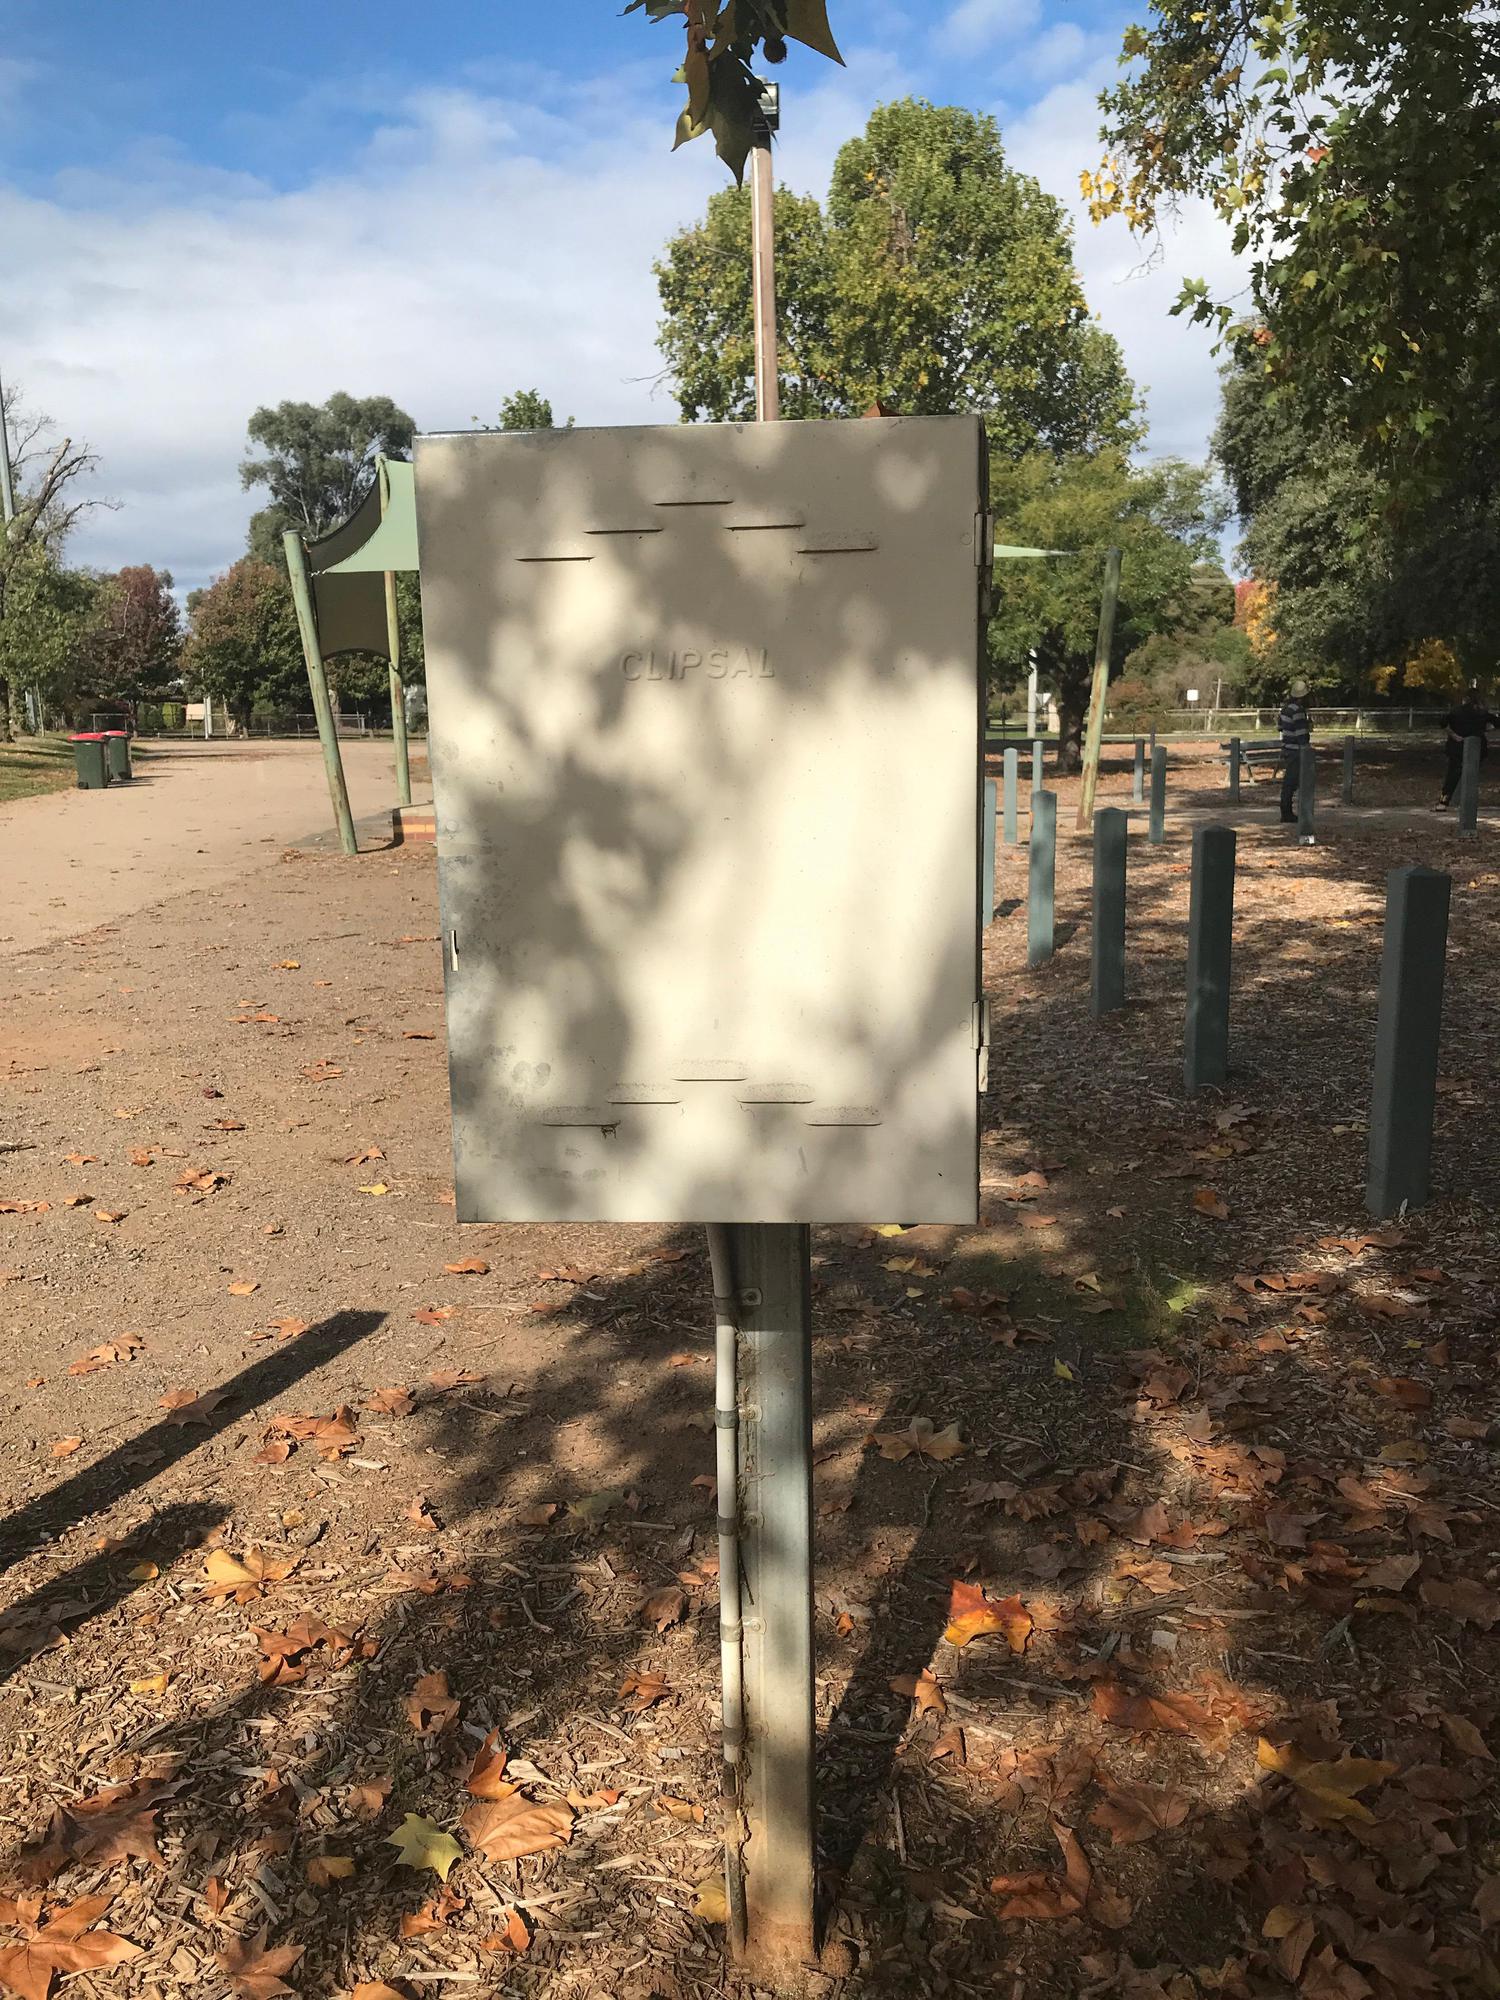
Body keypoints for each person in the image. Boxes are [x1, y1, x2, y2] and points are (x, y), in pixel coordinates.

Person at [1437, 685, 1495, 808]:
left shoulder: (1457, 711)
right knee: (1471, 774)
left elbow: (1442, 722)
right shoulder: (1482, 713)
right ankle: (1467, 802)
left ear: (1466, 698)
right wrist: (1486, 729)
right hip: (1477, 748)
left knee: (1453, 774)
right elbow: (1495, 723)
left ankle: (1444, 802)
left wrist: (1454, 735)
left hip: (1457, 746)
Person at [1278, 677, 1312, 823]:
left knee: (1289, 782)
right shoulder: (1298, 711)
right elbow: (1301, 735)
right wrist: (1307, 749)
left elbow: (1280, 727)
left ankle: (1286, 810)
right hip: (1296, 750)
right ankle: (1287, 812)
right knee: (1292, 782)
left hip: (1287, 748)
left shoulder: (1285, 710)